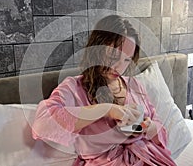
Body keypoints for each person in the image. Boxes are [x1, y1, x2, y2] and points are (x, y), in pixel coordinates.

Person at [32, 15, 176, 166]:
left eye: (127, 60)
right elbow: (43, 123)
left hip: (150, 157)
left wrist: (146, 126)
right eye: (113, 57)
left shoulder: (135, 85)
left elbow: (161, 132)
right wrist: (107, 109)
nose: (119, 67)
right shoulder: (74, 87)